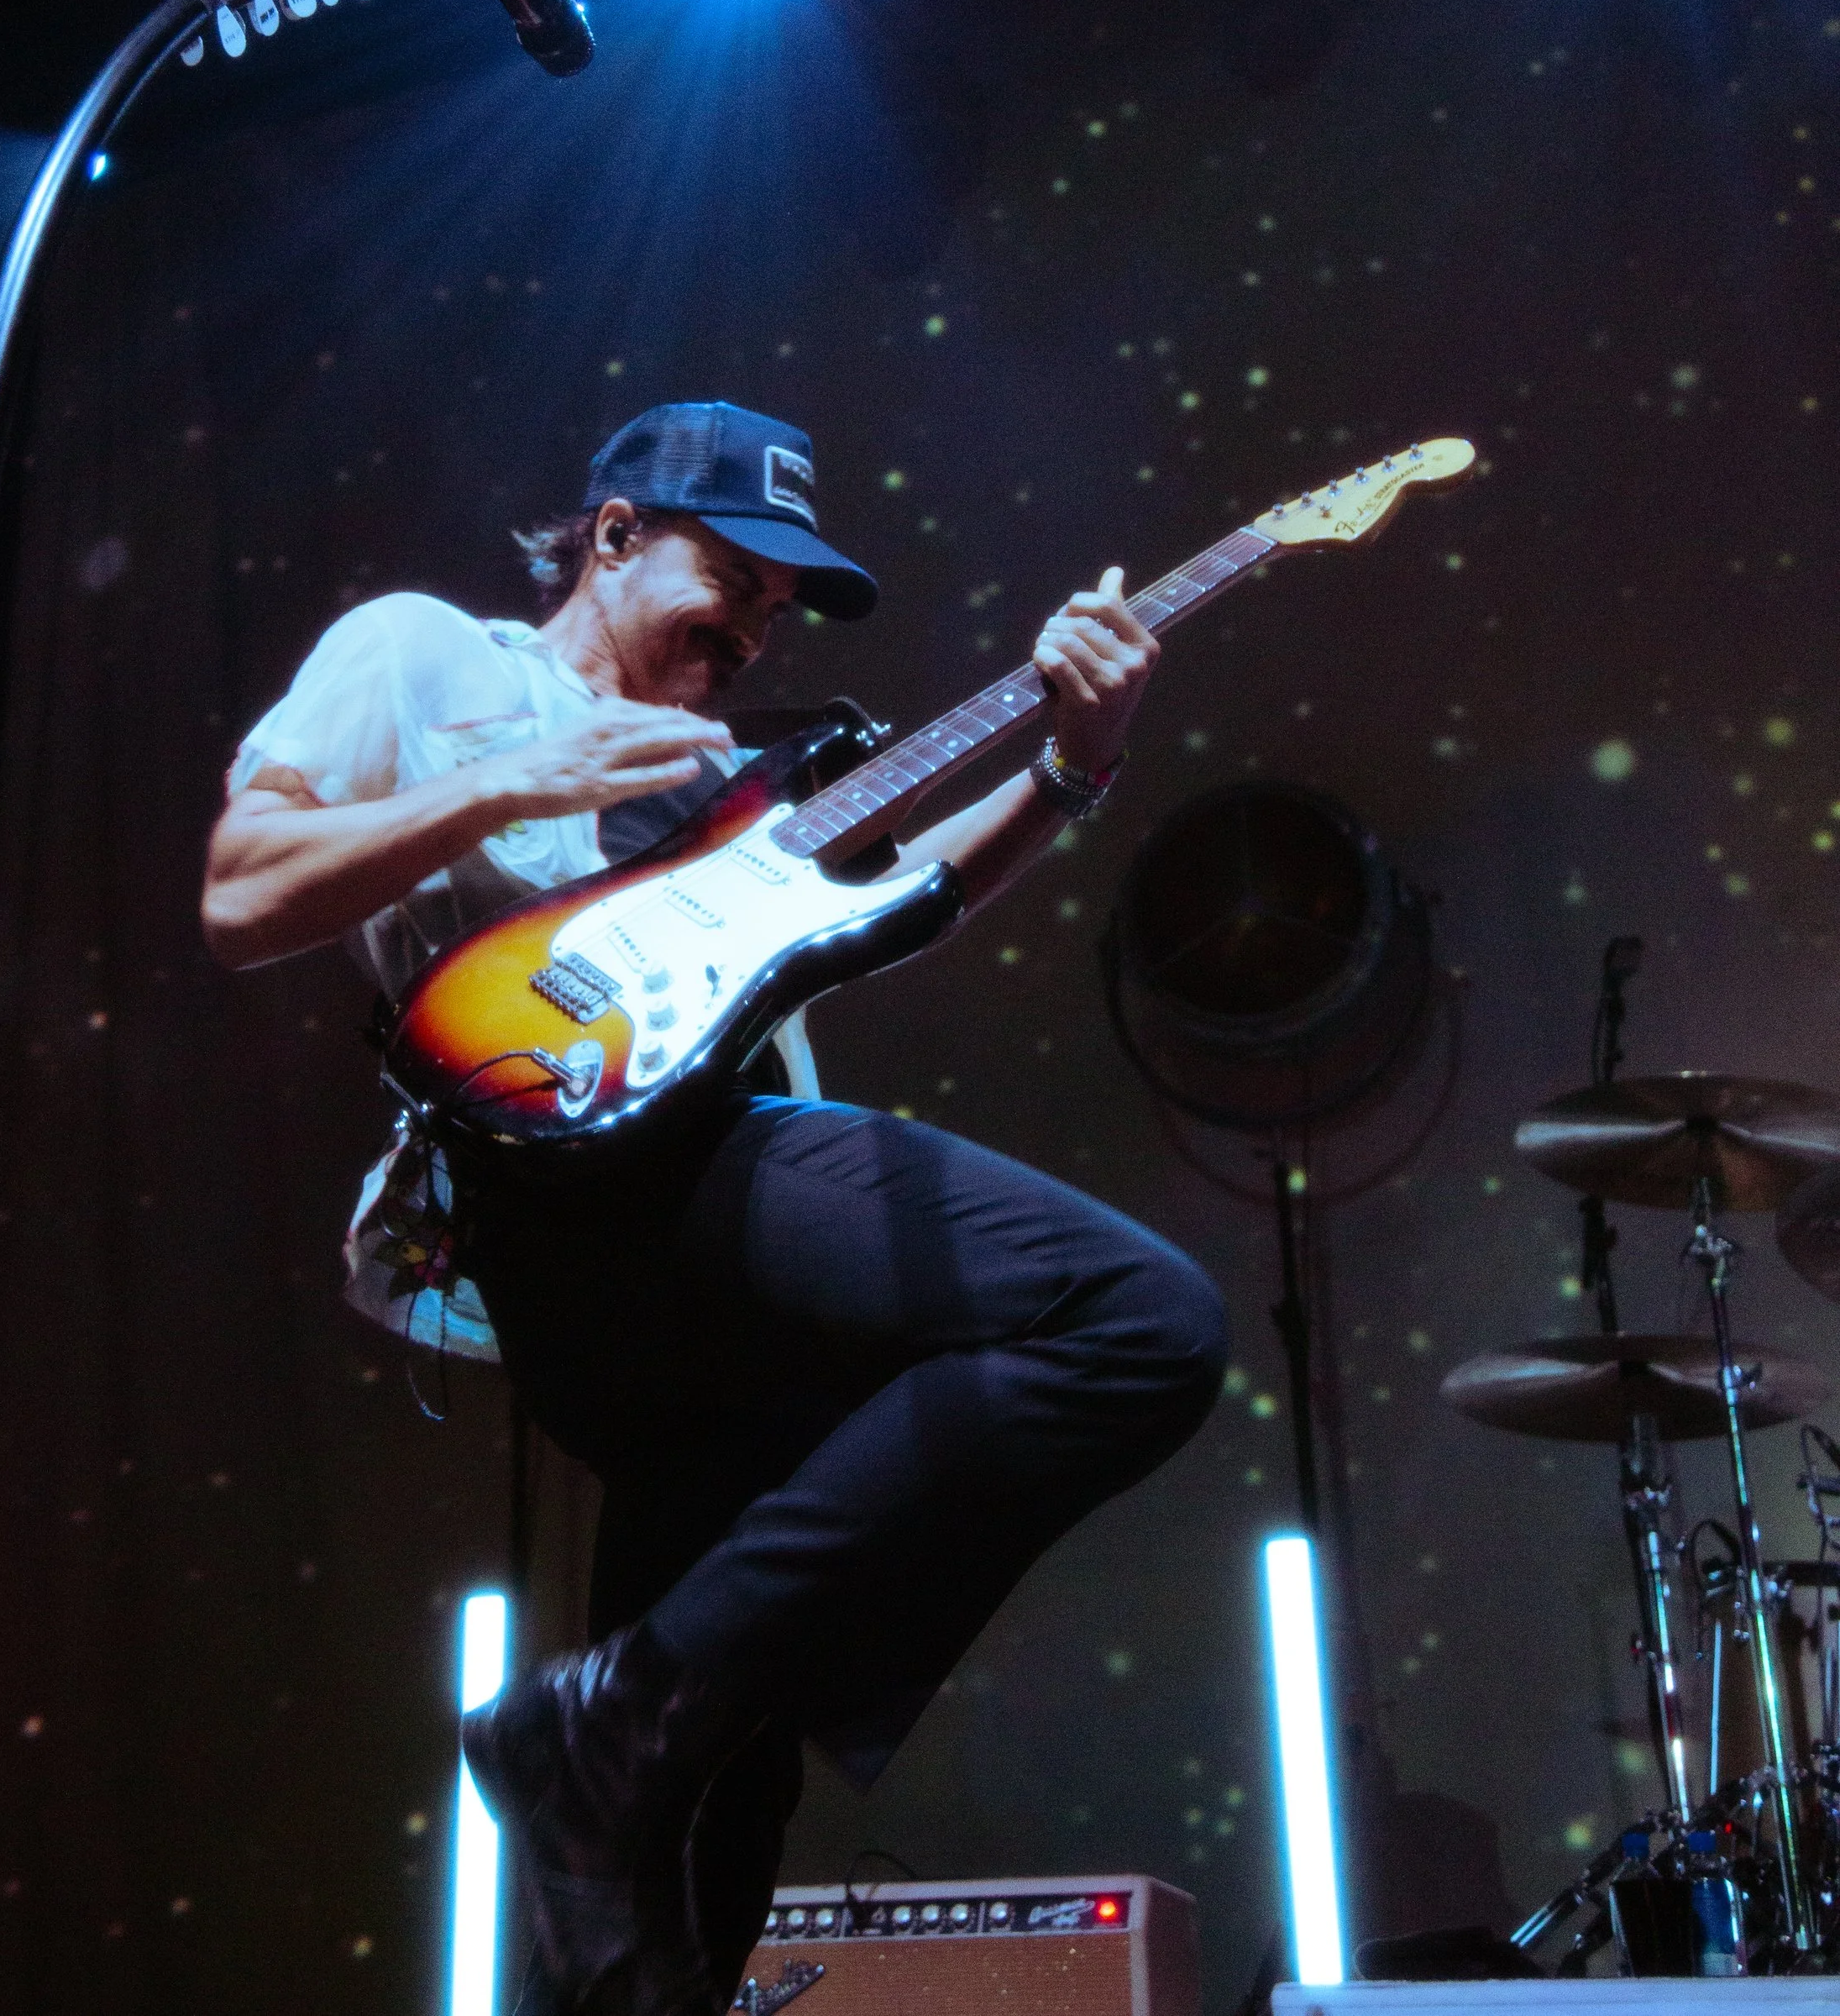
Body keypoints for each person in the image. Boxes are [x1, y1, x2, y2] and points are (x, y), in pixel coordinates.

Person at [202, 402, 1228, 2016]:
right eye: (735, 576)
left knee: (688, 1846)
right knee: (1137, 1317)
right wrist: (511, 783)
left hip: (720, 1278)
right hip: (594, 1197)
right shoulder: (428, 656)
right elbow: (244, 891)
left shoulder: (736, 779)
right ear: (612, 534)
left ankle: (624, 1743)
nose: (756, 626)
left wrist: (1072, 763)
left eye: (779, 605)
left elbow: (914, 895)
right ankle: (606, 1712)